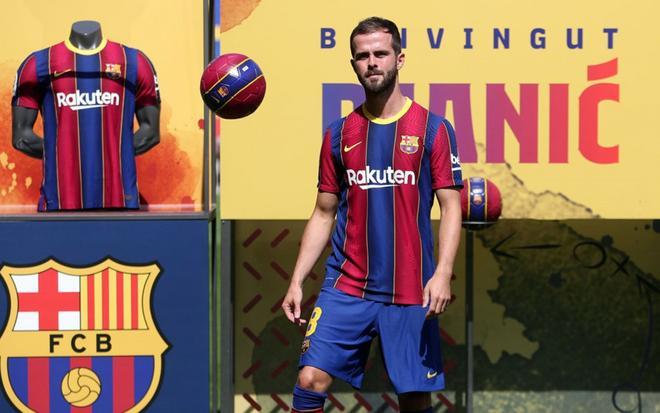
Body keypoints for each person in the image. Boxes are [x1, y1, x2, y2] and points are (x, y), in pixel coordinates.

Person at [281, 17, 463, 413]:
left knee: (414, 400)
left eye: (381, 53)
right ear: (354, 65)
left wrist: (443, 273)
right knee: (310, 379)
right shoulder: (337, 134)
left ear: (400, 59)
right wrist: (297, 280)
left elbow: (451, 206)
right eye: (363, 56)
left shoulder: (433, 129)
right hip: (346, 286)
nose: (372, 62)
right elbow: (324, 212)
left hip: (412, 289)